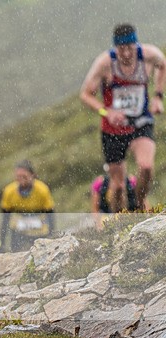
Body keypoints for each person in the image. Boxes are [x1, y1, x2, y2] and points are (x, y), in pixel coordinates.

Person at [79, 23, 165, 213]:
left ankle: (140, 204)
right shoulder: (104, 63)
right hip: (113, 129)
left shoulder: (149, 55)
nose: (126, 54)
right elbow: (85, 94)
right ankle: (118, 221)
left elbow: (163, 64)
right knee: (117, 187)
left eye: (130, 48)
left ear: (137, 44)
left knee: (146, 167)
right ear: (115, 47)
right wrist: (106, 111)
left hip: (140, 121)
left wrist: (158, 96)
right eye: (121, 49)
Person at [0, 160, 55, 253]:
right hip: (18, 231)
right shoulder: (9, 191)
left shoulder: (42, 190)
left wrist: (52, 237)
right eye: (18, 177)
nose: (21, 180)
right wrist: (1, 243)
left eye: (25, 177)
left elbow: (51, 216)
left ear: (32, 175)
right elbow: (5, 220)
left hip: (39, 230)